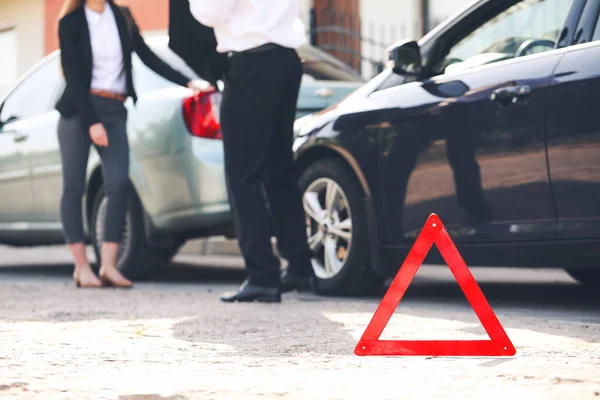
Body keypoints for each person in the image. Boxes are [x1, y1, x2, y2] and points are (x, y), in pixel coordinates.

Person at [55, 0, 204, 288]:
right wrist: (91, 122)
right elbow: (72, 76)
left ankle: (108, 266)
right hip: (77, 111)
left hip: (114, 109)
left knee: (119, 182)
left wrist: (188, 82)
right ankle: (81, 267)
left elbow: (146, 55)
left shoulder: (121, 16)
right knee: (73, 188)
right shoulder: (70, 22)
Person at [187, 0, 317, 303]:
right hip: (286, 61)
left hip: (252, 64)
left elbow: (209, 12)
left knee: (243, 173)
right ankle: (299, 265)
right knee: (279, 169)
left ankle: (262, 275)